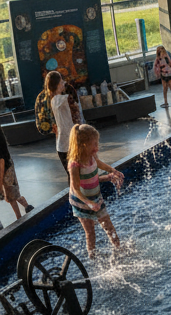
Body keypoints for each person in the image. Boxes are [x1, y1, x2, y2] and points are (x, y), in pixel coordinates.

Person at [67, 122, 124, 257]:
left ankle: (119, 251)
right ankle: (92, 257)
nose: (97, 147)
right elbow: (75, 189)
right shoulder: (74, 164)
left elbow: (98, 166)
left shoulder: (92, 156)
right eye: (94, 144)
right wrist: (89, 203)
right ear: (83, 145)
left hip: (96, 198)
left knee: (109, 227)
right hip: (82, 203)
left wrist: (112, 171)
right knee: (90, 232)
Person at [43, 71, 74, 174]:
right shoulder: (60, 100)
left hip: (63, 144)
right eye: (61, 82)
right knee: (73, 175)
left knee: (72, 175)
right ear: (56, 84)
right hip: (67, 144)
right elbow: (69, 99)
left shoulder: (55, 100)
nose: (63, 83)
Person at [0, 126, 32, 221]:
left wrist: (0, 183)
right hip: (8, 165)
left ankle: (19, 218)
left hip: (5, 169)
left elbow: (1, 161)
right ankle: (27, 207)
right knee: (13, 193)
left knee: (10, 197)